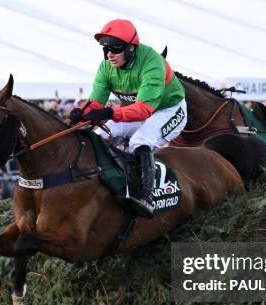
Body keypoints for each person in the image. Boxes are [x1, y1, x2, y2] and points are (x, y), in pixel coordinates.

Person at [69, 19, 187, 217]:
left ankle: (146, 197)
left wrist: (109, 112)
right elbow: (96, 103)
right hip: (136, 110)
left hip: (169, 110)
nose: (109, 55)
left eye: (115, 49)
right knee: (99, 135)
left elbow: (144, 110)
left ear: (132, 48)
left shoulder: (152, 62)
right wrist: (80, 114)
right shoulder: (106, 66)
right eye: (106, 49)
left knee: (139, 141)